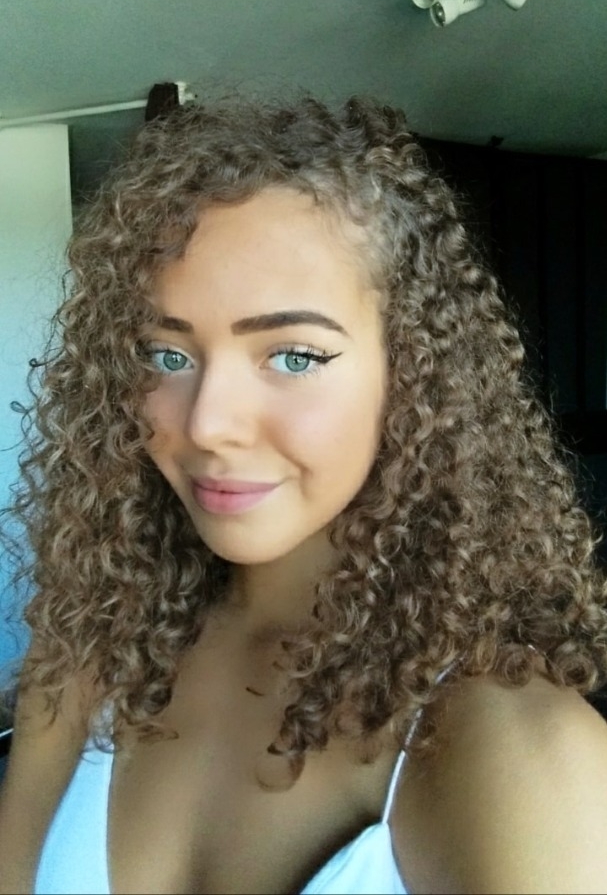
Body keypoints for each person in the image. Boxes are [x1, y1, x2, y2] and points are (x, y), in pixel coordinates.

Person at [1, 92, 607, 895]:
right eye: (166, 355)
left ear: (412, 374)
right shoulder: (86, 660)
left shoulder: (510, 747)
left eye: (294, 357)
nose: (209, 424)